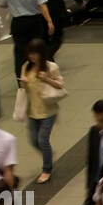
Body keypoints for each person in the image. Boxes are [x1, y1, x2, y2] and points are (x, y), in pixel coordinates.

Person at [0, 0, 54, 81]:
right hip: (34, 21)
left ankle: (21, 79)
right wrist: (49, 21)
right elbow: (42, 5)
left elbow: (2, 4)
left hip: (17, 22)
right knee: (37, 49)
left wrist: (16, 4)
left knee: (20, 51)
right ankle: (39, 75)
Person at [18, 39, 64, 184]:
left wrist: (47, 79)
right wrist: (23, 83)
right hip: (32, 111)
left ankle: (47, 169)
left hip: (48, 111)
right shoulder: (26, 66)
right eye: (30, 53)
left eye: (35, 53)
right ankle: (48, 153)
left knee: (42, 139)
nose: (32, 56)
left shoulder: (51, 67)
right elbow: (23, 87)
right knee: (33, 140)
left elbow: (60, 85)